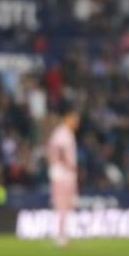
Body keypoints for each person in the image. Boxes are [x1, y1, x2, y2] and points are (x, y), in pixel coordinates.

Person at [47, 104, 81, 247]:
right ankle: (60, 237)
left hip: (66, 174)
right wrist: (67, 164)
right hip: (62, 174)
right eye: (75, 119)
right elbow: (56, 150)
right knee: (62, 205)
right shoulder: (62, 133)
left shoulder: (65, 133)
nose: (77, 123)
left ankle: (63, 235)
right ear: (68, 118)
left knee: (66, 206)